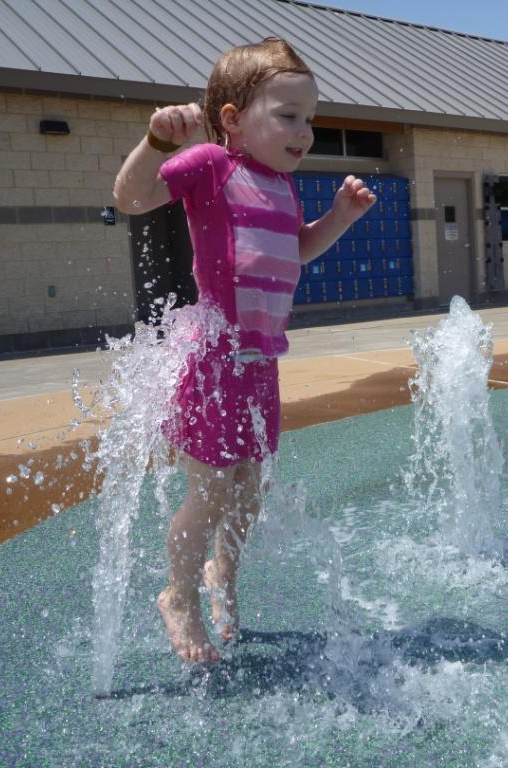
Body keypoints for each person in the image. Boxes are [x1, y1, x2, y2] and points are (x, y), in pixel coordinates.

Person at [113, 37, 376, 664]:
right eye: (288, 116)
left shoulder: (283, 187)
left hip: (260, 363)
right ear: (233, 119)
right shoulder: (209, 164)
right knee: (210, 492)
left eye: (309, 118)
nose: (304, 131)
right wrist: (154, 143)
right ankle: (177, 595)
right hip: (213, 359)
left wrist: (339, 217)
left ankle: (221, 575)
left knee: (250, 490)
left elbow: (297, 250)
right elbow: (131, 198)